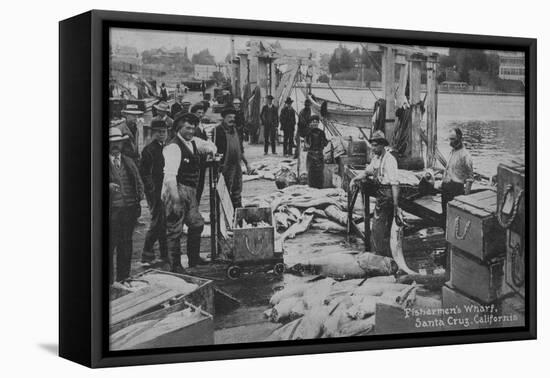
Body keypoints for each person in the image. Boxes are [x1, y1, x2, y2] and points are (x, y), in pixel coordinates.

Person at [162, 113, 217, 273]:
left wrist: (211, 151)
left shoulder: (193, 142)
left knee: (197, 224)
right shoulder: (173, 147)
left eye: (193, 128)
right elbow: (169, 176)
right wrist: (176, 199)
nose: (191, 131)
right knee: (175, 230)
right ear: (179, 128)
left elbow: (209, 146)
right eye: (187, 127)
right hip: (175, 190)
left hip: (190, 191)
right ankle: (175, 265)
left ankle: (194, 259)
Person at [350, 131, 400, 257]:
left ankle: (378, 255)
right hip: (381, 192)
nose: (373, 148)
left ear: (382, 145)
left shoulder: (390, 160)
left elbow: (395, 184)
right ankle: (386, 254)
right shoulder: (376, 158)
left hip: (387, 193)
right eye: (372, 145)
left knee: (378, 227)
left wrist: (395, 205)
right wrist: (355, 179)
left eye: (375, 145)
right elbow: (367, 172)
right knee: (382, 226)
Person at [108, 127, 144, 282]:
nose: (116, 146)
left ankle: (124, 278)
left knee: (126, 245)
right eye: (112, 143)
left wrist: (138, 199)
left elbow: (138, 182)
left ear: (122, 144)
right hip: (111, 211)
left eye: (118, 143)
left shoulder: (129, 161)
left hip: (128, 211)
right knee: (110, 245)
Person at [139, 119, 169, 266]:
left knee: (163, 222)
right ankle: (146, 254)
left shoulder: (166, 147)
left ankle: (164, 254)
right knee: (157, 222)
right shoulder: (149, 150)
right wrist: (152, 192)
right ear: (153, 133)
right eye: (159, 132)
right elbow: (144, 174)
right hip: (155, 192)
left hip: (164, 189)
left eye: (164, 132)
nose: (162, 135)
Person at [214, 107, 252, 209]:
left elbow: (241, 148)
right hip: (224, 166)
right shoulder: (218, 131)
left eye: (233, 117)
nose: (232, 119)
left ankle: (237, 209)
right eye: (229, 117)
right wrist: (217, 167)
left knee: (237, 188)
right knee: (224, 190)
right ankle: (225, 211)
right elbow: (214, 150)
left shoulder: (236, 130)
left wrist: (247, 163)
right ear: (224, 118)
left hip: (237, 165)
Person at [440, 128, 474, 219]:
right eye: (449, 139)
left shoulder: (465, 155)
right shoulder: (452, 152)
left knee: (454, 218)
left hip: (456, 189)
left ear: (460, 138)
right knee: (445, 216)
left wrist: (465, 199)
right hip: (445, 189)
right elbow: (448, 169)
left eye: (453, 139)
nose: (450, 142)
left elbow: (470, 178)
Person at [304, 115, 328, 189]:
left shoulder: (321, 132)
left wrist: (324, 140)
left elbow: (325, 143)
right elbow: (306, 145)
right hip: (311, 155)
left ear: (318, 123)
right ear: (310, 123)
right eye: (313, 122)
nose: (315, 123)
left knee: (319, 174)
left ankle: (319, 188)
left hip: (319, 155)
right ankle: (311, 187)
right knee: (311, 174)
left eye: (316, 122)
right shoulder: (308, 132)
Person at [191, 103, 208, 202]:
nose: (201, 115)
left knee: (200, 184)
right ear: (193, 114)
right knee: (196, 185)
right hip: (196, 161)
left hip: (202, 160)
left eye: (202, 113)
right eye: (198, 113)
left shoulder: (200, 125)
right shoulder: (193, 127)